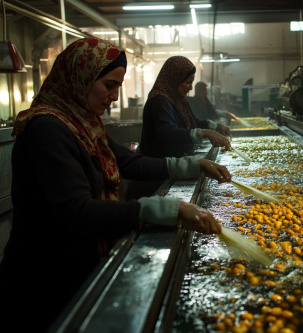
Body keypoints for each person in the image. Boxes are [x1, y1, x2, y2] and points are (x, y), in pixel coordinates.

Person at [0, 37, 230, 332]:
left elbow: (131, 162)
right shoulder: (48, 130)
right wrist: (162, 210)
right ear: (79, 77)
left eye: (118, 86)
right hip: (41, 282)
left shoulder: (82, 123)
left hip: (75, 265)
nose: (115, 96)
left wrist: (191, 166)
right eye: (108, 85)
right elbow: (78, 211)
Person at [139, 56, 231, 159]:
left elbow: (193, 123)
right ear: (175, 79)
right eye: (187, 82)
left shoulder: (178, 100)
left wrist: (215, 126)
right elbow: (168, 133)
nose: (191, 88)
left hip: (176, 160)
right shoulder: (159, 101)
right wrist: (205, 133)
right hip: (161, 166)